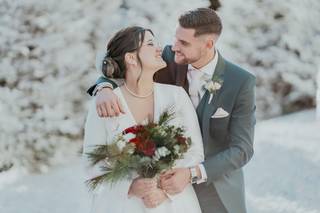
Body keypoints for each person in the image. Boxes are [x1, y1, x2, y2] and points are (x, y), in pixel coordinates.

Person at [87, 8, 256, 213]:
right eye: (176, 38)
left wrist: (191, 173)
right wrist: (103, 87)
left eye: (183, 43)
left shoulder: (239, 81)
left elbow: (242, 149)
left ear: (208, 44)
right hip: (148, 196)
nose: (174, 47)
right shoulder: (169, 57)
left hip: (215, 189)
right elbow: (119, 60)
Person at [83, 26, 204, 213]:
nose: (159, 48)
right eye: (150, 44)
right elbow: (92, 165)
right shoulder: (105, 103)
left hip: (175, 204)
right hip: (123, 206)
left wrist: (164, 190)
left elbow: (195, 151)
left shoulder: (176, 96)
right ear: (130, 58)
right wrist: (129, 187)